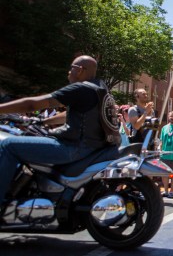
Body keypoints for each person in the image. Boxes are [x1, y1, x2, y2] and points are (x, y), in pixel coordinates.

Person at [0, 55, 116, 205]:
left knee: (9, 145)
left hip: (73, 148)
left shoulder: (80, 88)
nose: (68, 72)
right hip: (91, 148)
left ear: (80, 70)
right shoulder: (100, 88)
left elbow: (32, 105)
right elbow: (70, 113)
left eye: (71, 68)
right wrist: (45, 121)